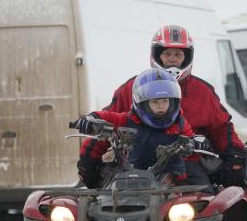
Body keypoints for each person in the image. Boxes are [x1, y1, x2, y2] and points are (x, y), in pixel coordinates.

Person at [81, 25, 247, 189]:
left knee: (203, 195)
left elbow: (221, 128)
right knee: (104, 196)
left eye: (178, 54)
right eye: (167, 54)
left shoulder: (203, 92)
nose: (172, 59)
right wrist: (90, 157)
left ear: (188, 57)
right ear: (156, 55)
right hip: (133, 163)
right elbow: (109, 121)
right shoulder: (134, 87)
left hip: (183, 163)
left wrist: (235, 155)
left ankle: (207, 215)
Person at [74, 68, 205, 187]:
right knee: (93, 146)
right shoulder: (127, 120)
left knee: (201, 194)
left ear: (173, 101)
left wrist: (197, 144)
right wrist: (91, 120)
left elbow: (190, 140)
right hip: (127, 181)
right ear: (142, 103)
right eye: (155, 102)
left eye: (165, 101)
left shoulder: (179, 123)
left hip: (171, 184)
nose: (161, 106)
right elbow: (105, 117)